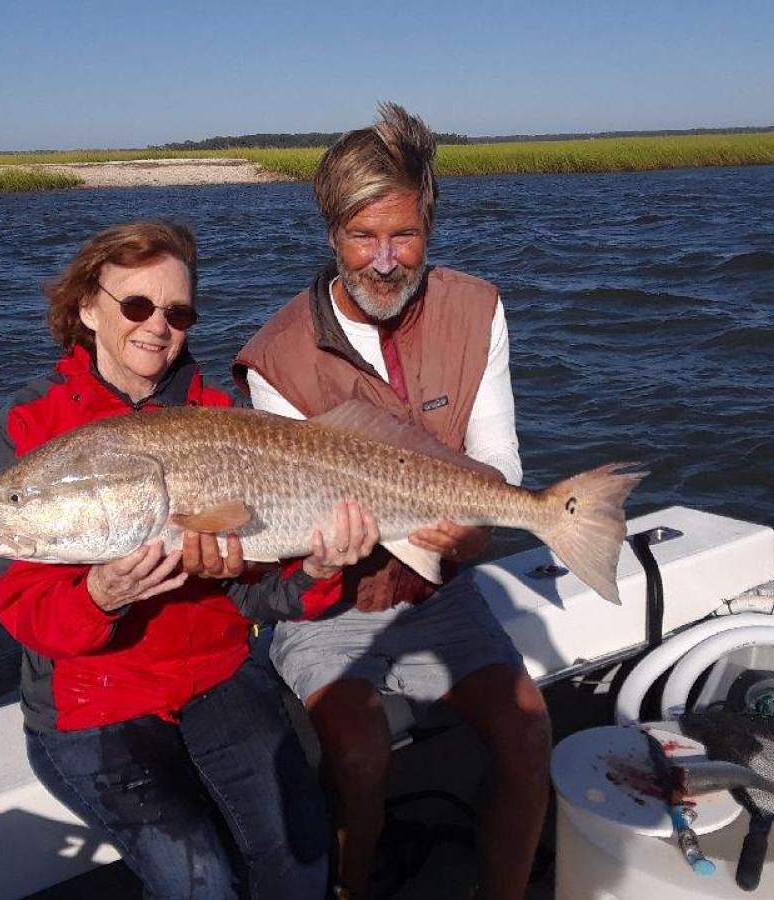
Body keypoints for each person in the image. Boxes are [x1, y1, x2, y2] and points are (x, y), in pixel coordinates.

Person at [0, 221, 380, 899]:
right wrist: (98, 597)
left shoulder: (222, 416)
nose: (158, 326)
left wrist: (317, 570)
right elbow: (23, 607)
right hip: (93, 702)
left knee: (300, 855)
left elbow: (261, 598)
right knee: (197, 880)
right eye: (136, 305)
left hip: (216, 672)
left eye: (178, 312)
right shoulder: (33, 420)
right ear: (86, 307)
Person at [233, 105, 552, 899]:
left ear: (430, 225)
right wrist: (320, 553)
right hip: (332, 602)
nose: (382, 261)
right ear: (330, 234)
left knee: (527, 730)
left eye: (403, 236)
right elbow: (284, 526)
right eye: (360, 237)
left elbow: (498, 460)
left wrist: (469, 534)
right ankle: (355, 887)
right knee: (356, 750)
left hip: (441, 580)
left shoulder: (477, 309)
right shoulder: (274, 357)